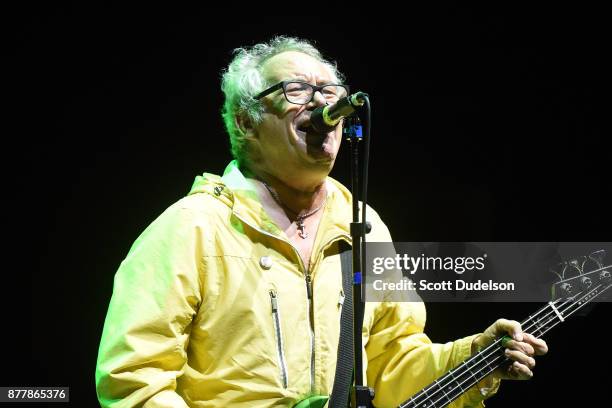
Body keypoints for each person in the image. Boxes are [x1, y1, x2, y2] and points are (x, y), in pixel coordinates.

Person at [95, 36, 548, 408]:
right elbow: (134, 379)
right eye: (296, 90)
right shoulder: (191, 228)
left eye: (329, 91)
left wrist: (473, 359)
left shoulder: (362, 227)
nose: (321, 103)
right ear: (246, 121)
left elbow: (390, 364)